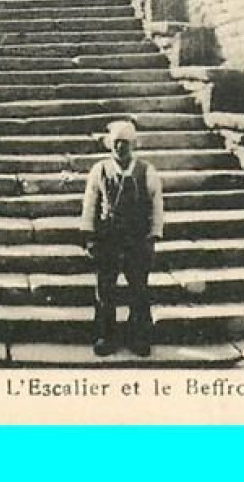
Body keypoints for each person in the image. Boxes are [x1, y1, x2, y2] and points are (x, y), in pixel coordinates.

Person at [80, 117, 166, 357]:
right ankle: (106, 335)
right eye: (117, 142)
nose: (121, 147)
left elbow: (156, 205)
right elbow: (90, 204)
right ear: (110, 144)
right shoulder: (100, 170)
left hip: (137, 238)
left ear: (134, 145)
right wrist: (89, 235)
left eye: (126, 143)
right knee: (105, 289)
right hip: (108, 237)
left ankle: (137, 336)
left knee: (138, 288)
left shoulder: (146, 171)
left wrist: (153, 235)